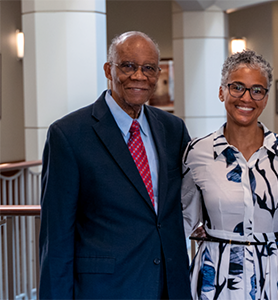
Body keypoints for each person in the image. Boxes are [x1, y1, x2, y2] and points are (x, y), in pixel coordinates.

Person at [39, 31, 192, 300]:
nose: (139, 76)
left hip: (170, 285)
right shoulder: (68, 134)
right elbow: (57, 238)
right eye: (128, 66)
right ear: (109, 69)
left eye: (148, 68)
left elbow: (193, 191)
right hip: (106, 290)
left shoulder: (173, 129)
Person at [181, 49, 278, 300]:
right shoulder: (198, 151)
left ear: (265, 98)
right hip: (216, 276)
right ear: (222, 91)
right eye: (237, 87)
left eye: (257, 90)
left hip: (271, 275)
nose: (247, 97)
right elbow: (183, 219)